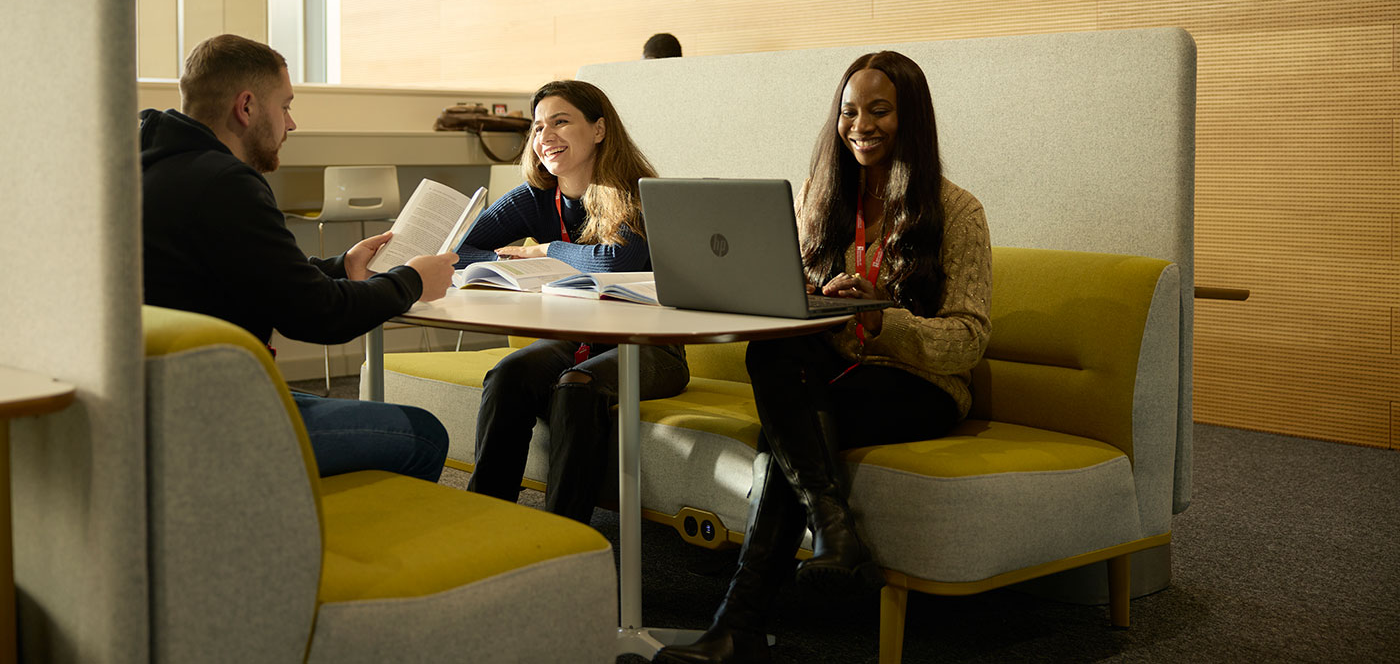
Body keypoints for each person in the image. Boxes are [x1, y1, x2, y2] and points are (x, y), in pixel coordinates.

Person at [656, 51, 993, 664]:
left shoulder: (958, 212)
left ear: (910, 118)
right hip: (831, 371)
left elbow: (968, 339)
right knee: (776, 360)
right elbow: (791, 292)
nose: (860, 124)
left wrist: (880, 317)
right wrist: (810, 299)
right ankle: (830, 529)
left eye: (879, 110)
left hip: (916, 385)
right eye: (848, 111)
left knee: (781, 438)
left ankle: (742, 623)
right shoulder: (819, 197)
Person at [141, 34, 456, 482]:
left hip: (162, 399)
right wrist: (412, 281)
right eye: (285, 106)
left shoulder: (149, 166)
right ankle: (314, 546)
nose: (291, 123)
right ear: (246, 107)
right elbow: (318, 317)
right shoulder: (226, 183)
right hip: (214, 417)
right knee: (423, 434)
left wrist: (339, 267)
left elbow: (254, 277)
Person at [458, 79, 690, 522]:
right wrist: (509, 263)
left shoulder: (636, 192)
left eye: (561, 122)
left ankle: (565, 538)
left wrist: (543, 251)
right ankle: (486, 521)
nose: (546, 137)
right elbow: (459, 251)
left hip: (651, 346)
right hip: (578, 340)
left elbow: (616, 262)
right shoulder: (536, 198)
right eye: (538, 127)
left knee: (576, 387)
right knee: (509, 373)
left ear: (599, 129)